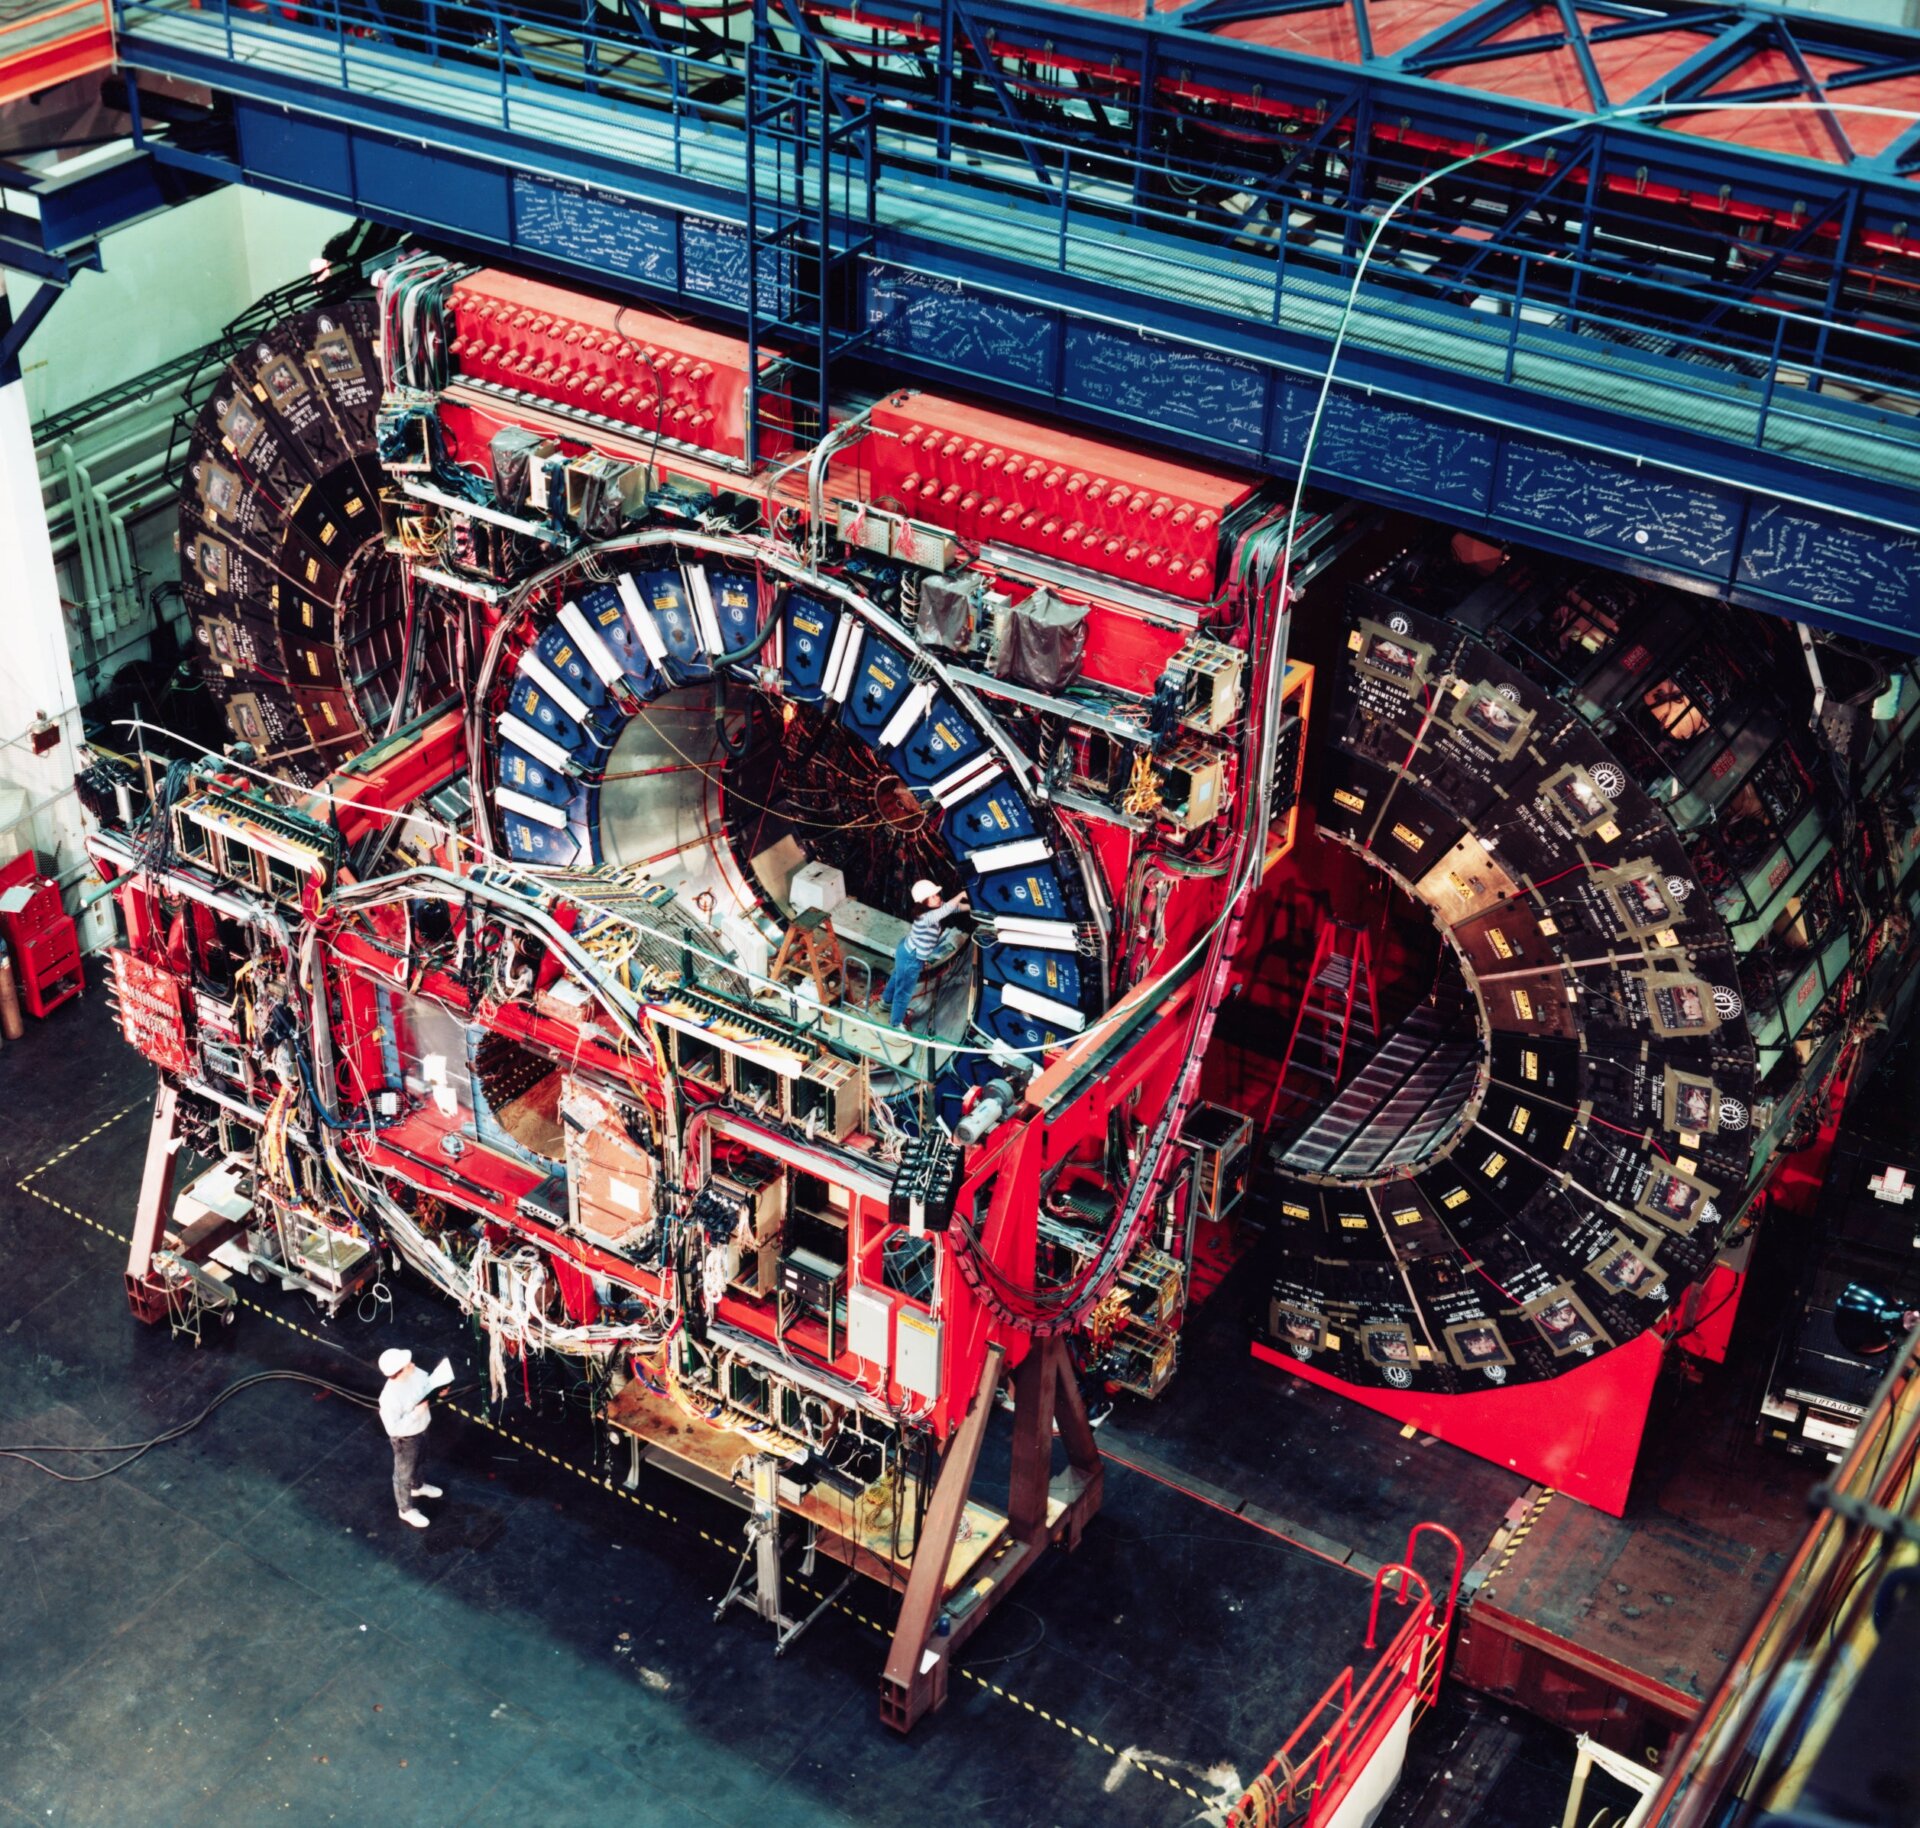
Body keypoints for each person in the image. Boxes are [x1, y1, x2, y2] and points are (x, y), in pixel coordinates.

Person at [888, 878, 968, 1030]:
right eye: (932, 897)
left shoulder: (933, 909)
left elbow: (954, 908)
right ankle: (895, 1024)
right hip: (911, 957)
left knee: (897, 976)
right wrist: (961, 894)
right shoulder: (924, 918)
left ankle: (885, 1002)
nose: (937, 897)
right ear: (923, 902)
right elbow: (947, 909)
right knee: (904, 992)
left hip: (907, 949)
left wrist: (973, 908)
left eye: (936, 894)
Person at [378, 1346, 444, 1529]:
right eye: (408, 1365)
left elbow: (428, 1384)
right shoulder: (389, 1397)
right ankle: (405, 1510)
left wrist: (439, 1391)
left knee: (421, 1460)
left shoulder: (416, 1373)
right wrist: (416, 1413)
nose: (413, 1364)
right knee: (403, 1474)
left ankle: (417, 1486)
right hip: (406, 1439)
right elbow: (393, 1428)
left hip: (423, 1427)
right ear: (398, 1373)